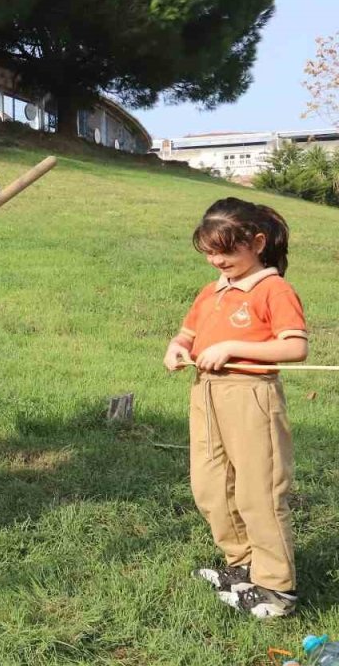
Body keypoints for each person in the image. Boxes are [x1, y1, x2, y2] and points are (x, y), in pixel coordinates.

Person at [163, 197, 307, 619]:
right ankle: (242, 564)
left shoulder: (273, 288)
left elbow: (295, 346)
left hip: (251, 395)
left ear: (257, 242)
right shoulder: (211, 292)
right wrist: (176, 348)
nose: (216, 260)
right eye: (209, 251)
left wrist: (230, 347)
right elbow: (186, 335)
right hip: (205, 392)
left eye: (225, 251)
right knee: (210, 486)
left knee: (257, 491)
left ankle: (277, 588)